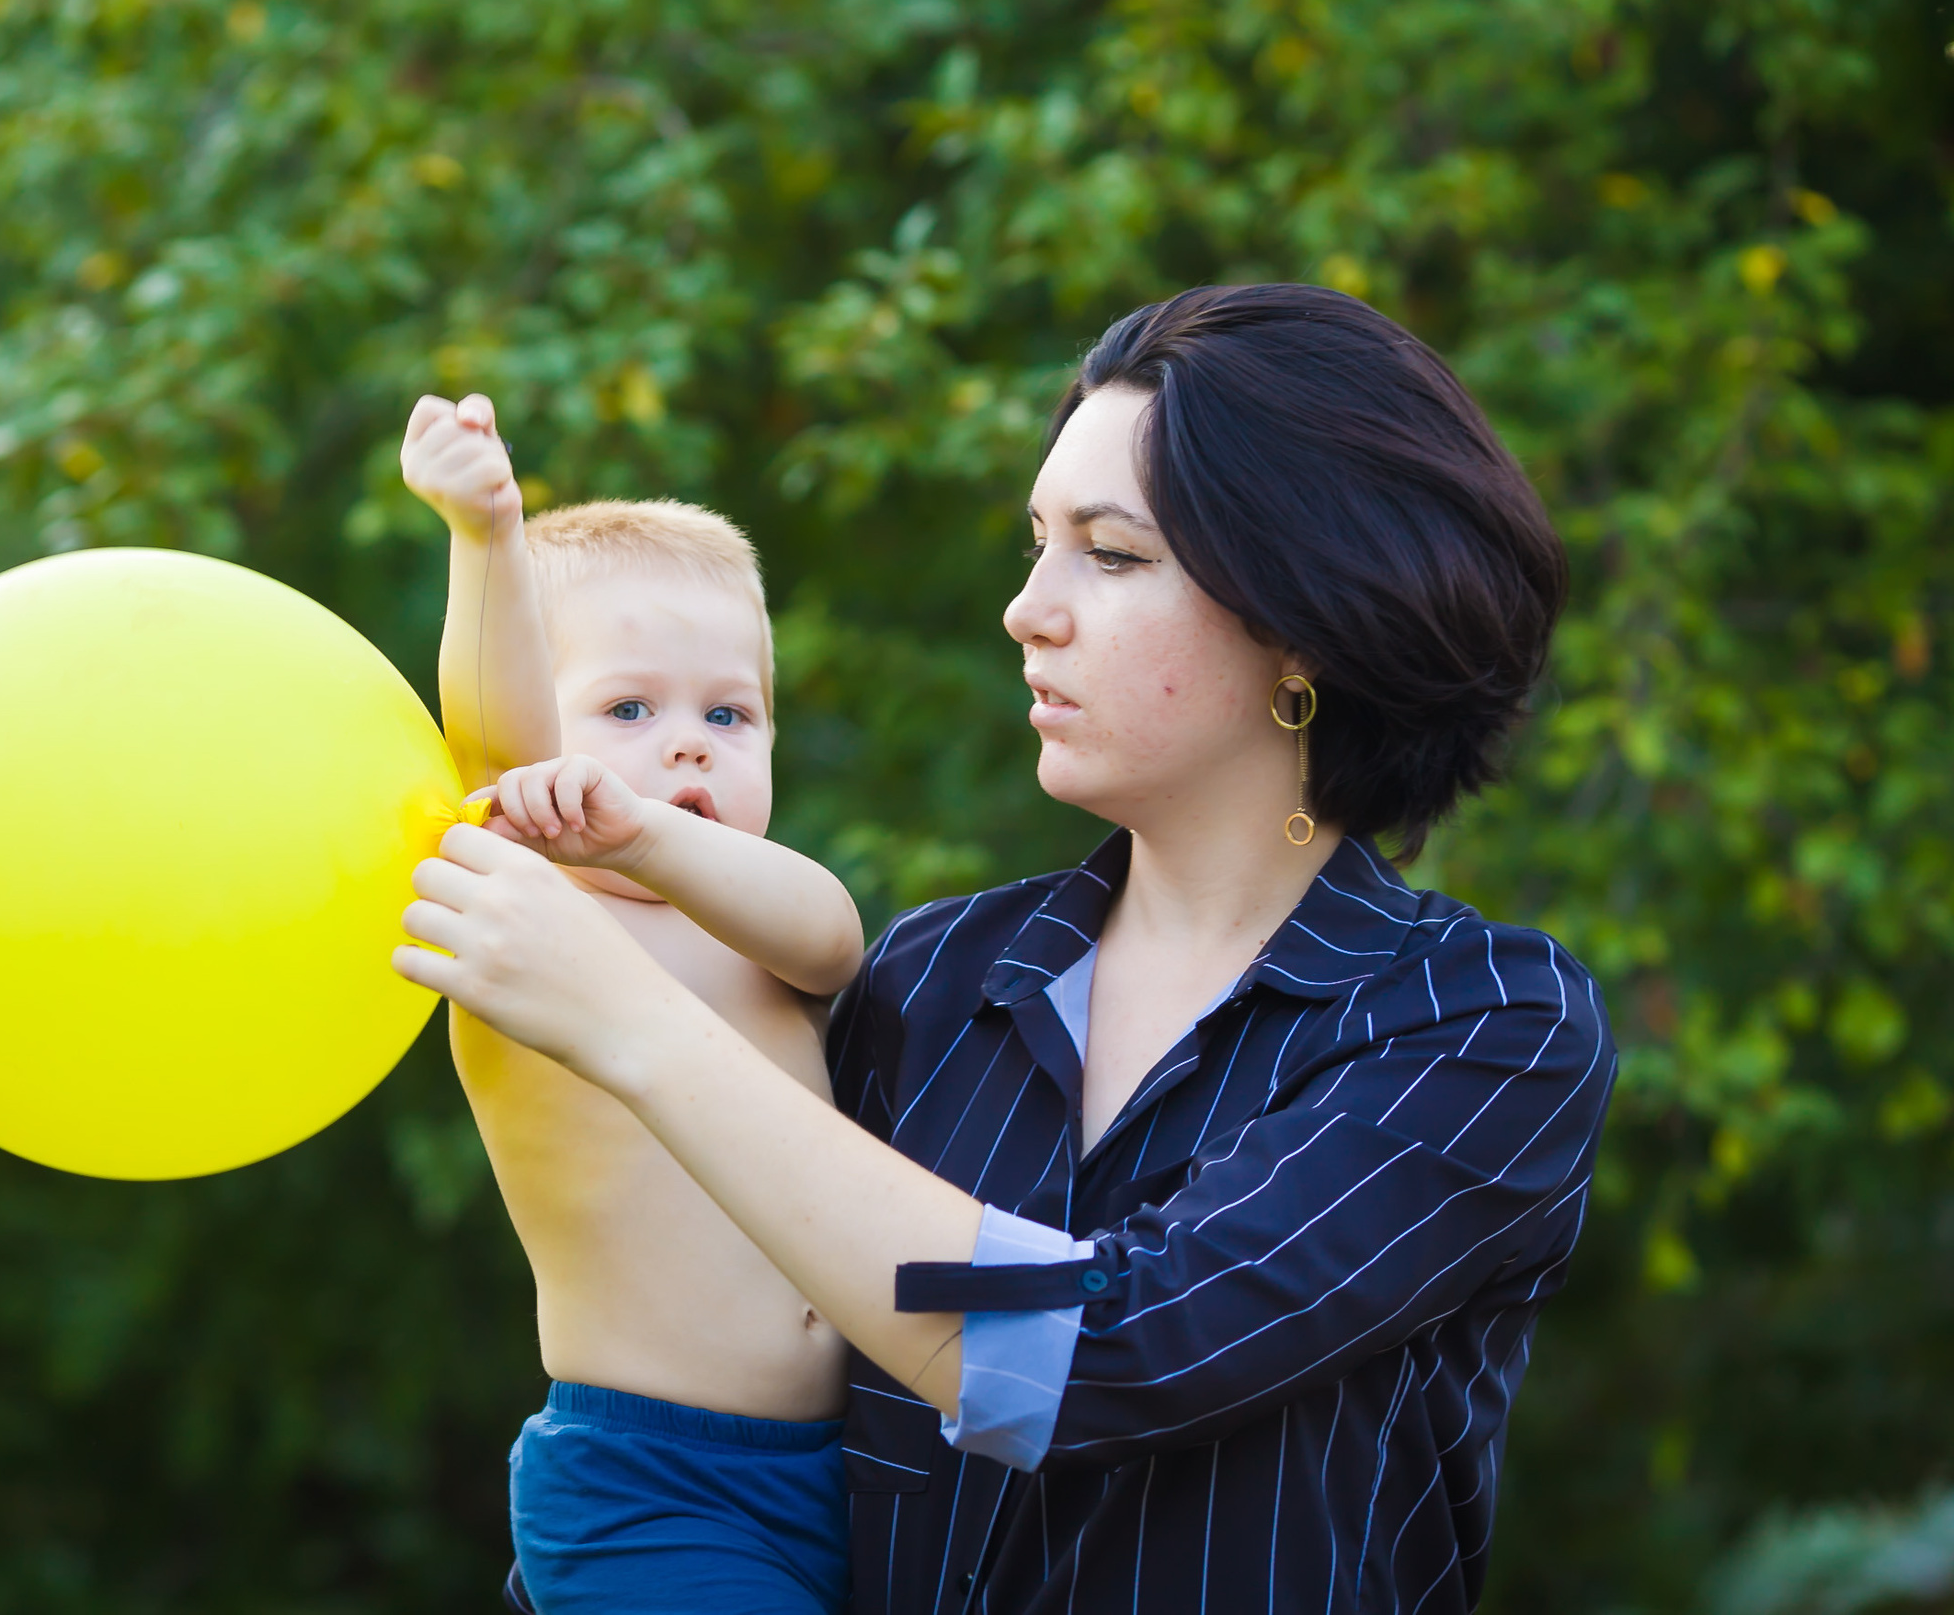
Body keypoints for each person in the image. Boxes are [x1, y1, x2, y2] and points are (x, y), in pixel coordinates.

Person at [397, 284, 1619, 1613]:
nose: (1027, 610)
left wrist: (637, 1028)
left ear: (1303, 628)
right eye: (1036, 545)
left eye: (1108, 552)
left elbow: (1107, 1350)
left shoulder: (1480, 1023)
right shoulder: (932, 984)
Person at [398, 394, 868, 1615]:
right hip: (647, 1480)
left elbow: (833, 936)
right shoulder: (540, 914)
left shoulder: (756, 917)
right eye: (627, 711)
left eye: (728, 715)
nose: (688, 747)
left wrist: (648, 837)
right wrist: (487, 536)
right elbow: (500, 751)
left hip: (849, 1466)